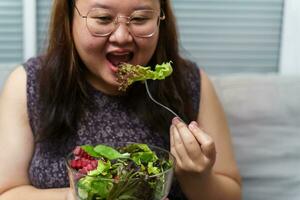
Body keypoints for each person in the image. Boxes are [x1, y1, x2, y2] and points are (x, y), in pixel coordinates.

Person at [0, 0, 242, 199]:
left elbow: (232, 193)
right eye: (103, 19)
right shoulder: (27, 84)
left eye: (139, 19)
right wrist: (82, 195)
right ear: (69, 19)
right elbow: (6, 192)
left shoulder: (191, 83)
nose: (122, 36)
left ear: (160, 19)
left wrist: (196, 177)